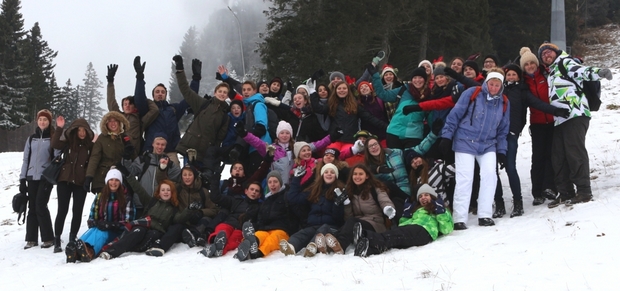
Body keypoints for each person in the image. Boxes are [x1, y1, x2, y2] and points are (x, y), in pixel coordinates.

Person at [537, 42, 613, 207]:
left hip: (576, 113)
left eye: (549, 52)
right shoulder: (551, 72)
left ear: (556, 53)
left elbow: (582, 71)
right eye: (543, 55)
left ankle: (584, 191)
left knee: (574, 152)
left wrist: (600, 72)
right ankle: (565, 192)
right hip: (560, 119)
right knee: (558, 156)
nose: (546, 56)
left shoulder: (565, 63)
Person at [494, 63, 569, 218]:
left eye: (514, 74)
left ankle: (518, 203)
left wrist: (555, 111)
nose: (511, 77)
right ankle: (499, 204)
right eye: (509, 75)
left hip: (511, 134)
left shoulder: (522, 91)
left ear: (519, 77)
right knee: (491, 171)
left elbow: (538, 104)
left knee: (510, 167)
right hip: (492, 135)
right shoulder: (497, 90)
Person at [439, 68, 510, 229]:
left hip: (488, 144)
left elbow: (503, 129)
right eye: (491, 84)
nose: (493, 88)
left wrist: (502, 151)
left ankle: (485, 214)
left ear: (501, 86)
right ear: (487, 83)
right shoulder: (473, 93)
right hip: (465, 140)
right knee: (465, 178)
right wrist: (446, 136)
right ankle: (459, 218)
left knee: (490, 176)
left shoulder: (504, 102)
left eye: (497, 85)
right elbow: (455, 114)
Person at [100, 177, 193, 259]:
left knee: (154, 233)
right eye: (163, 190)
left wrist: (189, 209)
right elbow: (139, 190)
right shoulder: (152, 202)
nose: (165, 192)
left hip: (155, 233)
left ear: (172, 193)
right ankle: (111, 252)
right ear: (159, 192)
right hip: (143, 226)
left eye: (168, 190)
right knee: (139, 231)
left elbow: (179, 218)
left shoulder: (174, 209)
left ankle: (138, 247)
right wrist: (128, 175)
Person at [353, 184, 453, 257]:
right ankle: (368, 249)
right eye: (420, 196)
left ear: (432, 196)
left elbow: (446, 229)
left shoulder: (440, 209)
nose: (423, 198)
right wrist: (406, 216)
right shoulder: (417, 210)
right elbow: (403, 226)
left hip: (425, 231)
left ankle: (366, 235)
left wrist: (440, 212)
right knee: (395, 238)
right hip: (413, 229)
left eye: (426, 195)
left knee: (397, 235)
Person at [65, 168, 136, 263]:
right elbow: (91, 217)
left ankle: (90, 251)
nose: (113, 183)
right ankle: (76, 249)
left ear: (120, 182)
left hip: (117, 232)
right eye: (111, 180)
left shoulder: (126, 198)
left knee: (102, 233)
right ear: (107, 181)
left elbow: (128, 223)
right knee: (93, 230)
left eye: (116, 180)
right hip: (100, 228)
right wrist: (96, 222)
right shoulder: (100, 197)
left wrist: (109, 225)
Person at [279, 163, 345, 257]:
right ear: (322, 175)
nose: (329, 174)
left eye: (332, 172)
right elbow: (293, 198)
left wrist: (338, 204)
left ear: (336, 176)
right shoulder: (314, 190)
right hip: (313, 225)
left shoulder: (339, 191)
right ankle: (291, 246)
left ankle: (312, 247)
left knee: (323, 229)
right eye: (326, 172)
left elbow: (339, 218)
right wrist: (296, 179)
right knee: (302, 234)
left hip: (331, 227)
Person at [173, 56, 229, 164]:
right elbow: (186, 91)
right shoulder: (203, 104)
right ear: (215, 92)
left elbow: (219, 139)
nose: (222, 94)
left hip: (205, 154)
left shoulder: (225, 116)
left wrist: (214, 156)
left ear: (227, 96)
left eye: (225, 92)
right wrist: (180, 70)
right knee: (187, 178)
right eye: (220, 91)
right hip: (189, 148)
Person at [520, 47, 559, 205]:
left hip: (553, 121)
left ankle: (550, 187)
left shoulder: (546, 74)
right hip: (537, 123)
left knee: (552, 155)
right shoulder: (523, 82)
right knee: (538, 158)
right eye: (526, 64)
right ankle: (537, 191)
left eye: (532, 63)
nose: (530, 66)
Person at [132, 56, 188, 165]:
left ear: (166, 95)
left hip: (170, 152)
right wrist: (139, 78)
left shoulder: (173, 109)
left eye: (163, 92)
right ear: (153, 95)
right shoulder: (148, 109)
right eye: (157, 92)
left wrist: (194, 78)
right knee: (148, 181)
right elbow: (139, 98)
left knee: (173, 181)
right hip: (150, 152)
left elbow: (189, 98)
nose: (160, 94)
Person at [328, 164, 395, 254]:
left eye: (360, 174)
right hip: (358, 224)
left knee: (352, 223)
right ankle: (325, 245)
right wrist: (347, 204)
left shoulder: (376, 188)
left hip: (375, 223)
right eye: (355, 174)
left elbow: (384, 200)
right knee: (339, 227)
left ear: (367, 176)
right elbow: (348, 218)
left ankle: (340, 245)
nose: (357, 177)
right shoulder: (349, 191)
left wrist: (388, 208)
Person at [50, 116, 94, 253]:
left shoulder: (90, 146)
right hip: (65, 181)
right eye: (79, 130)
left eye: (84, 130)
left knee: (77, 211)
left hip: (81, 183)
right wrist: (59, 128)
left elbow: (94, 161)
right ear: (75, 131)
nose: (82, 133)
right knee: (62, 210)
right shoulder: (68, 143)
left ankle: (72, 238)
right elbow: (54, 144)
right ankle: (57, 239)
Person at [234, 171, 296, 261]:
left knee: (271, 240)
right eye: (270, 182)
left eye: (275, 181)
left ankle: (257, 252)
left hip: (282, 229)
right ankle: (247, 246)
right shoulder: (266, 201)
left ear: (280, 183)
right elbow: (261, 218)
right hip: (266, 229)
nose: (272, 184)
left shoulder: (286, 196)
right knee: (258, 235)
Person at [20, 109, 59, 249]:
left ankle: (48, 238)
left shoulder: (52, 138)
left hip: (45, 177)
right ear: (37, 121)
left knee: (40, 205)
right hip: (31, 177)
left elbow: (57, 157)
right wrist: (22, 179)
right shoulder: (31, 139)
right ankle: (31, 239)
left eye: (45, 120)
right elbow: (26, 159)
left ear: (49, 122)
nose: (42, 122)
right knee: (32, 207)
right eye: (40, 119)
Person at [370, 65, 430, 150]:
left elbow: (430, 116)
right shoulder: (404, 89)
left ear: (425, 79)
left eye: (420, 77)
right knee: (396, 162)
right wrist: (375, 76)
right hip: (394, 132)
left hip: (413, 135)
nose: (417, 80)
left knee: (412, 161)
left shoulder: (429, 95)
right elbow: (384, 95)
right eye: (415, 77)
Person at [106, 63, 159, 157]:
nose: (127, 106)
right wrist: (110, 82)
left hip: (133, 155)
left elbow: (154, 110)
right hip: (118, 153)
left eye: (130, 104)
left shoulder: (140, 120)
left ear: (135, 106)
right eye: (125, 104)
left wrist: (142, 98)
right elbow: (111, 103)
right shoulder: (119, 117)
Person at [126, 133, 180, 217]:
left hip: (159, 205)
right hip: (141, 203)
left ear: (165, 146)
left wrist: (191, 167)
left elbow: (182, 177)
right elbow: (130, 172)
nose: (159, 147)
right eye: (157, 144)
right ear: (153, 144)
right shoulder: (143, 159)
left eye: (162, 145)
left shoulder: (169, 164)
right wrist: (126, 158)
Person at [85, 111, 132, 194]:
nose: (112, 123)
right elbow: (95, 157)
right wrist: (89, 176)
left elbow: (133, 158)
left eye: (115, 120)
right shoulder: (102, 138)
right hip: (102, 177)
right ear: (106, 124)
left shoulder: (125, 138)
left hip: (120, 177)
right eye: (110, 121)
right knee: (102, 205)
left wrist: (129, 152)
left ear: (119, 122)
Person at [177, 165, 219, 247]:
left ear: (195, 176)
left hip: (199, 222)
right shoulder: (178, 189)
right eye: (184, 175)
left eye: (190, 174)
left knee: (206, 220)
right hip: (184, 220)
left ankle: (194, 235)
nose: (187, 177)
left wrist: (201, 212)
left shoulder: (203, 191)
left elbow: (214, 210)